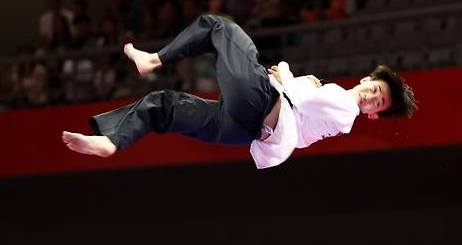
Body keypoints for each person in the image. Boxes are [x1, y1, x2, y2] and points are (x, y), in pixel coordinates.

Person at [62, 14, 416, 169]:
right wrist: (292, 84)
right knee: (164, 104)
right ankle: (112, 142)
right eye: (376, 87)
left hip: (258, 103)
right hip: (245, 128)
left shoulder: (346, 109)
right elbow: (299, 124)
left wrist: (292, 77)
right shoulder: (333, 113)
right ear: (369, 78)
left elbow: (303, 96)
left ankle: (154, 59)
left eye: (379, 101)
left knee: (223, 29)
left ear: (374, 113)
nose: (371, 95)